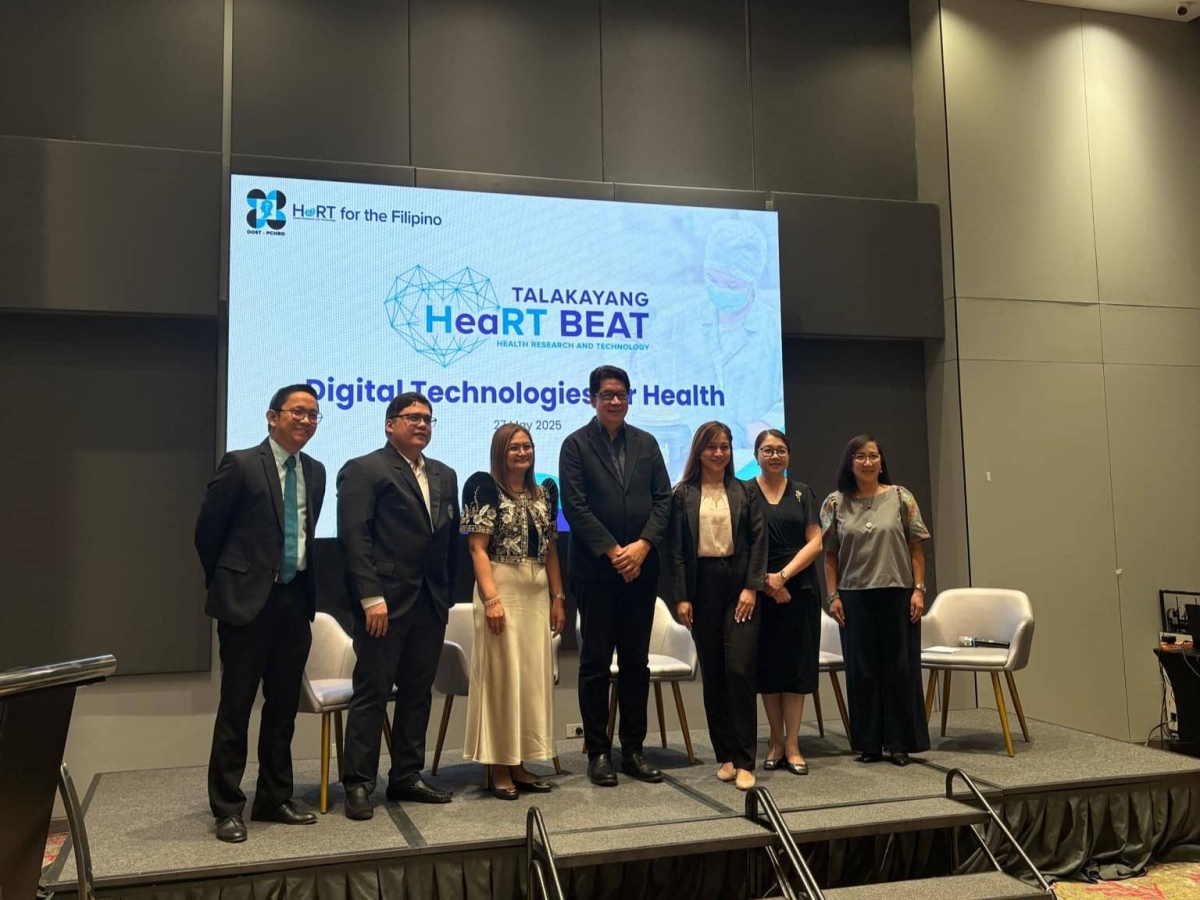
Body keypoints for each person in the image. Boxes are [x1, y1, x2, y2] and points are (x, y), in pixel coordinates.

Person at [195, 384, 326, 843]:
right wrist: (232, 581)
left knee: (283, 708)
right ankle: (227, 807)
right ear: (273, 417)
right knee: (236, 707)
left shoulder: (315, 471)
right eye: (298, 412)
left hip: (294, 601)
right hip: (247, 602)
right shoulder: (241, 464)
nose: (306, 420)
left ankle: (274, 797)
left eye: (314, 414)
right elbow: (207, 533)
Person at [338, 392, 461, 819]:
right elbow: (355, 538)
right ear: (390, 424)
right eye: (413, 418)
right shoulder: (364, 469)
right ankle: (358, 782)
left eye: (428, 418)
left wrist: (445, 595)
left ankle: (407, 775)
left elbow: (448, 541)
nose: (422, 424)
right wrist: (370, 596)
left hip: (430, 602)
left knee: (417, 692)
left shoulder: (445, 474)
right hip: (383, 604)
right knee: (372, 692)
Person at [559, 364, 672, 786]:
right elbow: (575, 506)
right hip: (596, 572)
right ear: (592, 399)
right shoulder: (575, 445)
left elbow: (663, 500)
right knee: (594, 663)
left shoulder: (646, 443)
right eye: (607, 394)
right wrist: (613, 551)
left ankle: (634, 751)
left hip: (641, 570)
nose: (614, 401)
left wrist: (642, 546)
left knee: (636, 663)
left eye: (621, 394)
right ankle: (598, 753)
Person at [461, 424, 567, 799]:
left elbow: (550, 548)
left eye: (527, 446)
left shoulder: (546, 492)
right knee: (502, 680)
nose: (522, 452)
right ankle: (498, 767)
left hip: (536, 593)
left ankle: (519, 763)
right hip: (501, 590)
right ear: (500, 452)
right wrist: (491, 600)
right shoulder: (483, 487)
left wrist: (558, 596)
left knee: (530, 680)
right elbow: (477, 548)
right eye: (514, 447)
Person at [820, 435, 931, 766]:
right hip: (854, 596)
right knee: (862, 671)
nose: (867, 462)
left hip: (898, 593)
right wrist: (833, 596)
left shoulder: (900, 497)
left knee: (901, 669)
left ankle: (900, 743)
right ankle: (868, 743)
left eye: (873, 456)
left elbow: (916, 548)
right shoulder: (835, 503)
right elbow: (829, 556)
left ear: (881, 462)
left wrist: (919, 590)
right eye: (860, 456)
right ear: (849, 462)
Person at [669, 422, 767, 791]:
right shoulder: (682, 494)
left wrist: (752, 587)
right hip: (702, 588)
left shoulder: (746, 490)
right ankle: (725, 756)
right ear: (699, 451)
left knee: (739, 669)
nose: (719, 453)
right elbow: (676, 551)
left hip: (739, 588)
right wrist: (682, 596)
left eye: (725, 446)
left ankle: (745, 761)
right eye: (711, 447)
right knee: (713, 674)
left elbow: (759, 542)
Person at [745, 429, 823, 776]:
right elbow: (742, 543)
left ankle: (793, 744)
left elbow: (815, 542)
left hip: (800, 588)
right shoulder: (745, 492)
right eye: (767, 450)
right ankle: (775, 741)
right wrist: (766, 582)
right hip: (761, 591)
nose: (774, 456)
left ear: (789, 455)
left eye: (780, 450)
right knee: (769, 669)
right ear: (756, 455)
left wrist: (783, 576)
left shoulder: (803, 492)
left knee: (796, 668)